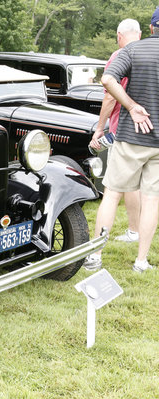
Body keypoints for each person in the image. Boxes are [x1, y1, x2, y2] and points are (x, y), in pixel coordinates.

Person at [85, 9, 159, 273]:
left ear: (150, 28)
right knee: (152, 200)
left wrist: (130, 105)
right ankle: (141, 262)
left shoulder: (132, 51)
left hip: (131, 137)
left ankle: (95, 256)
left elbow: (107, 79)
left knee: (112, 194)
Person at [87, 19, 142, 255]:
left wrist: (100, 128)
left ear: (119, 35)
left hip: (124, 127)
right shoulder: (149, 54)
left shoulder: (120, 55)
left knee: (112, 189)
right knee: (136, 186)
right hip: (147, 129)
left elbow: (110, 95)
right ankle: (135, 231)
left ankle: (96, 251)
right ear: (140, 34)